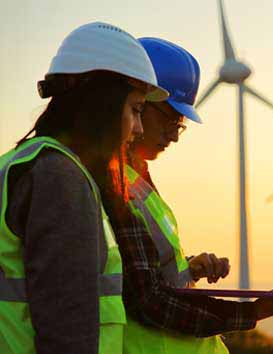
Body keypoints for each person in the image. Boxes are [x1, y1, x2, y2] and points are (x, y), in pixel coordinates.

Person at [117, 37, 273, 354]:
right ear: (140, 101)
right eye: (172, 119)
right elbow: (147, 301)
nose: (175, 135)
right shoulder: (112, 185)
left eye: (182, 125)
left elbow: (143, 272)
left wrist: (189, 269)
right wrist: (253, 312)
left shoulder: (139, 180)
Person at [0, 22, 168, 354]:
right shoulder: (60, 179)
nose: (138, 128)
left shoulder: (22, 162)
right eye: (135, 110)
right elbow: (67, 329)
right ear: (103, 103)